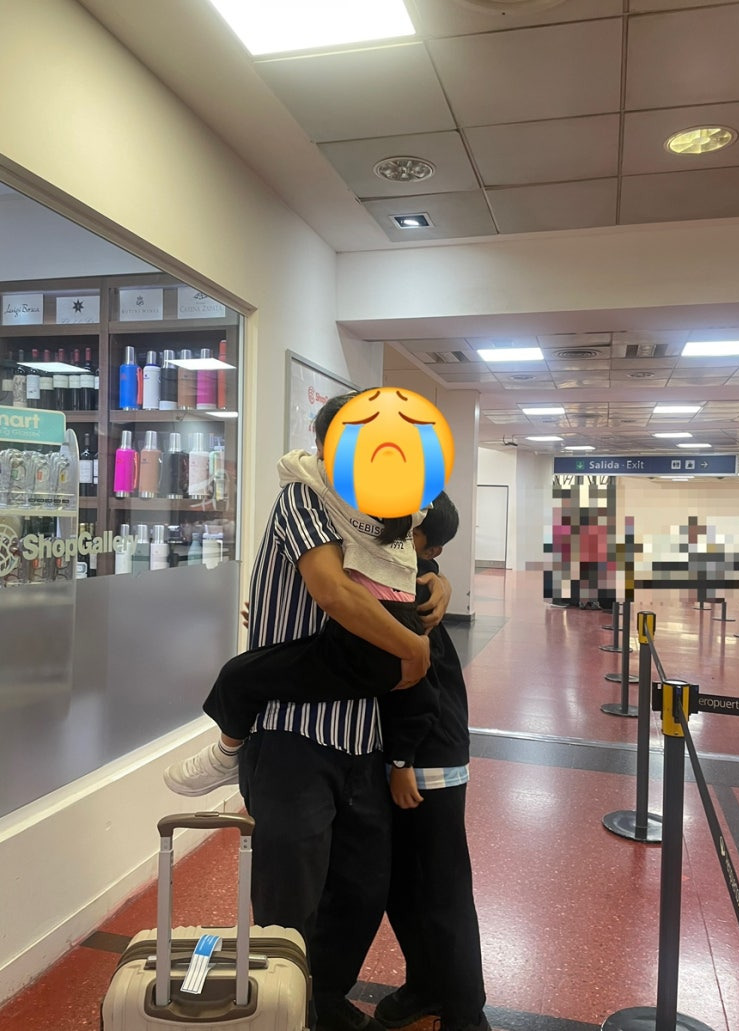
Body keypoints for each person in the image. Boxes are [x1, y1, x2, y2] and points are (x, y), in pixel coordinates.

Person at [169, 392, 450, 1031]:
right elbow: (332, 590)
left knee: (361, 888)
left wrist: (436, 580)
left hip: (363, 736)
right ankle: (282, 1012)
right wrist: (412, 646)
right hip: (292, 734)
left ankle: (318, 1001)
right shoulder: (304, 496)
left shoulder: (383, 511)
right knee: (289, 897)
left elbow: (408, 564)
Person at [164, 443, 442, 798]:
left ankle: (226, 755)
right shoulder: (401, 512)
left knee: (238, 676)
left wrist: (416, 648)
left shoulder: (332, 500)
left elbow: (335, 592)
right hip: (383, 649)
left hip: (367, 650)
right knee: (261, 670)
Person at [376, 493, 489, 1031]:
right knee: (403, 887)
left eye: (405, 526)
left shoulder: (415, 588)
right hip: (412, 758)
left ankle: (466, 1011)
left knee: (441, 891)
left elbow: (415, 686)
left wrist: (401, 761)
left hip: (426, 763)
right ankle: (426, 984)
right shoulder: (403, 573)